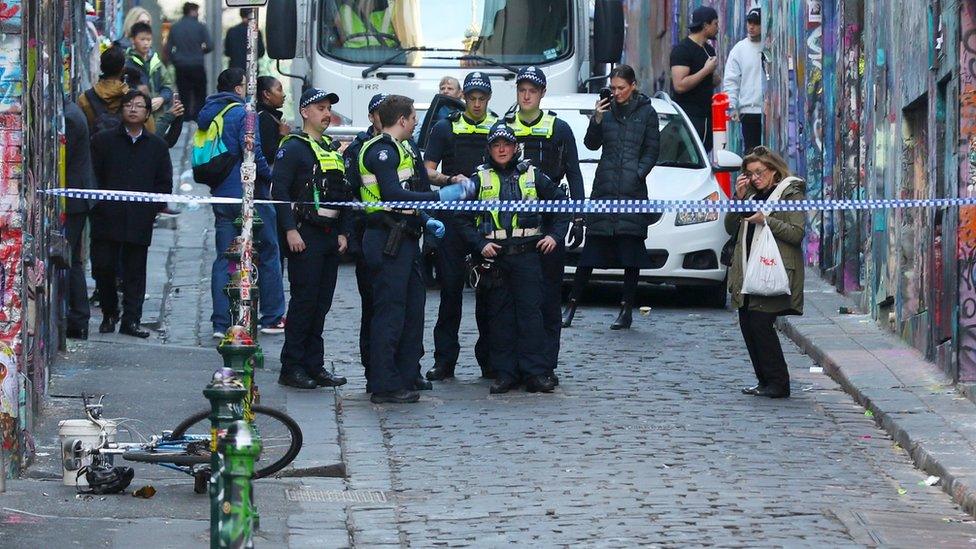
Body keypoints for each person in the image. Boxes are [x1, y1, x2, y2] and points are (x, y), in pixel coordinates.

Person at [358, 94, 475, 404]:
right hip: (385, 237)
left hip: (406, 235)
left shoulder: (403, 149)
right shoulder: (381, 151)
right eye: (413, 117)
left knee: (412, 310)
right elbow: (393, 194)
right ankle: (384, 384)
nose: (416, 123)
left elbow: (408, 191)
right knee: (390, 313)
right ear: (401, 120)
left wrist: (424, 217)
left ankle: (407, 373)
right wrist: (439, 199)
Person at [458, 123, 569, 394]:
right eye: (496, 145)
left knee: (532, 316)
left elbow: (562, 204)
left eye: (506, 144)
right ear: (489, 149)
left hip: (527, 255)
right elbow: (460, 217)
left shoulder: (533, 175)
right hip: (496, 259)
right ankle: (505, 372)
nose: (502, 149)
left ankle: (534, 373)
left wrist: (554, 235)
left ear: (515, 147)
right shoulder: (478, 179)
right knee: (500, 319)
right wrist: (479, 244)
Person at [562, 65, 660, 330]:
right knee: (590, 254)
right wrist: (596, 118)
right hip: (605, 188)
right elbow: (591, 144)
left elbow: (652, 150)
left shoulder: (647, 113)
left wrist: (637, 174)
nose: (616, 93)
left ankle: (626, 309)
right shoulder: (605, 112)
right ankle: (571, 306)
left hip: (632, 191)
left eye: (621, 88)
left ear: (633, 85)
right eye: (613, 88)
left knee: (631, 254)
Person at [505, 66, 584, 381]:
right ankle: (507, 365)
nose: (526, 96)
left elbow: (574, 173)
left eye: (532, 91)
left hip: (550, 216)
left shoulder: (559, 128)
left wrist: (578, 217)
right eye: (521, 90)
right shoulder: (503, 126)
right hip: (511, 220)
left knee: (549, 298)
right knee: (507, 299)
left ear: (541, 94)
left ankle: (545, 364)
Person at [272, 88, 351, 390]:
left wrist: (343, 231)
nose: (326, 113)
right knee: (304, 303)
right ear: (305, 112)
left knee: (321, 304)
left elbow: (342, 195)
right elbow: (278, 192)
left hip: (329, 236)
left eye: (329, 108)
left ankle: (313, 365)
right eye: (320, 108)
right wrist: (290, 230)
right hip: (305, 235)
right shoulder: (292, 148)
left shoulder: (331, 149)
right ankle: (291, 367)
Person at [198, 68, 286, 339]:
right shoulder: (243, 113)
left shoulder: (208, 112)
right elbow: (253, 152)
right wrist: (272, 178)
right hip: (247, 193)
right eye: (246, 85)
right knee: (270, 250)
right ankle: (272, 316)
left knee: (225, 258)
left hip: (221, 194)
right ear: (238, 89)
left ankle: (220, 322)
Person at [423, 72, 497, 381]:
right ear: (464, 96)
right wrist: (450, 179)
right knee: (450, 292)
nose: (477, 104)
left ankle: (490, 359)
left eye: (482, 98)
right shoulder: (445, 127)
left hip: (486, 219)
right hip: (453, 217)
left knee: (490, 295)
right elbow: (427, 171)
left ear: (489, 99)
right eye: (472, 98)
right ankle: (445, 360)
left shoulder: (497, 126)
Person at [89, 90, 172, 338]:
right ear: (121, 109)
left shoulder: (157, 146)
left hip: (138, 219)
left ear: (147, 113)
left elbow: (163, 183)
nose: (133, 109)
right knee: (104, 267)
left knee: (135, 271)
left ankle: (132, 319)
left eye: (139, 106)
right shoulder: (103, 141)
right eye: (129, 105)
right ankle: (109, 312)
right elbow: (93, 177)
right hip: (107, 217)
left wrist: (152, 209)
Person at [726, 146, 805, 399]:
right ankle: (763, 381)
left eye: (759, 172)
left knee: (761, 325)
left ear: (773, 170)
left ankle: (779, 383)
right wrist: (737, 200)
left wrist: (766, 220)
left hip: (771, 269)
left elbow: (796, 233)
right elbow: (730, 228)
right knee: (748, 326)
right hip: (746, 271)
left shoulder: (788, 194)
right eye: (750, 174)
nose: (755, 178)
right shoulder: (749, 195)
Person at [343, 93, 386, 388]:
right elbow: (348, 193)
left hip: (400, 235)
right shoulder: (359, 149)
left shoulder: (403, 146)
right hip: (368, 234)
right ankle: (372, 366)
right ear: (371, 117)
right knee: (372, 304)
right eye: (379, 113)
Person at [64, 101, 95, 340]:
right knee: (72, 259)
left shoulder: (69, 117)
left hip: (73, 198)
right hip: (76, 196)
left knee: (70, 259)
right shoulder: (72, 111)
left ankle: (78, 317)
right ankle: (78, 318)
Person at [670, 5, 720, 151]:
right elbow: (679, 85)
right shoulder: (683, 50)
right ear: (705, 25)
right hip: (689, 117)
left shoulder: (708, 49)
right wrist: (706, 71)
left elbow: (707, 80)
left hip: (706, 116)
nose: (717, 28)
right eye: (715, 24)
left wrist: (713, 77)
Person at [723, 7, 763, 153]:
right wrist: (732, 105)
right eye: (749, 22)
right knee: (752, 155)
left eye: (756, 23)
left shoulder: (772, 47)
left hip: (769, 112)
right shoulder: (739, 49)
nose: (751, 26)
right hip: (748, 111)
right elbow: (731, 80)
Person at [164, 2, 213, 121]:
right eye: (197, 11)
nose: (198, 14)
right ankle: (198, 117)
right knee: (200, 93)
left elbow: (168, 48)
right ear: (192, 11)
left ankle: (184, 118)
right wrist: (201, 51)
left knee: (184, 92)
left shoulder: (175, 27)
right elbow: (210, 45)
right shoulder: (200, 26)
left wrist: (174, 59)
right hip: (197, 64)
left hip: (181, 65)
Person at [125, 22, 174, 125]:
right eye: (142, 39)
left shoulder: (156, 62)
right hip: (134, 116)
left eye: (149, 40)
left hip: (156, 116)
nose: (146, 43)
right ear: (133, 40)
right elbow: (122, 88)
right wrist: (136, 90)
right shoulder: (127, 62)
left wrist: (162, 98)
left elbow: (167, 86)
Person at [78, 46, 132, 137]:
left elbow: (80, 131)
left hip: (95, 149)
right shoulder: (134, 99)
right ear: (123, 69)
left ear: (101, 68)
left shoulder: (84, 99)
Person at [257, 76, 290, 164]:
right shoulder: (264, 118)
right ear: (267, 94)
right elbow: (270, 155)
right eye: (279, 90)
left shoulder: (269, 115)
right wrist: (283, 135)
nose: (283, 94)